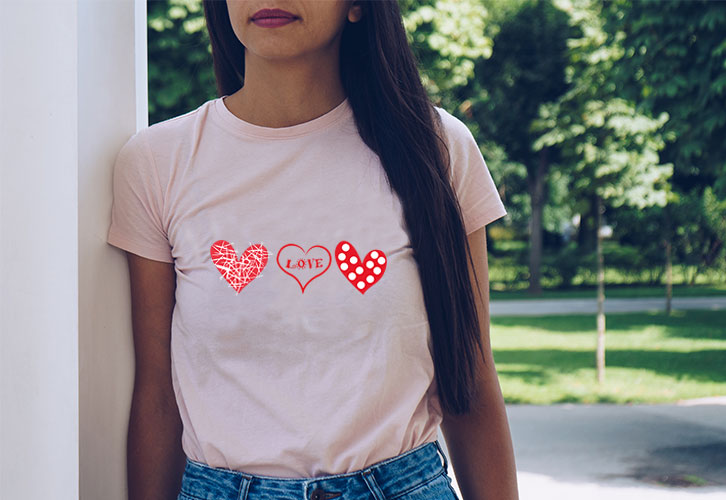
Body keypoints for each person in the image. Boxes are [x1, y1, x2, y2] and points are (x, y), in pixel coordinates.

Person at [107, 1, 518, 499]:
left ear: (359, 7)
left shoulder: (436, 149)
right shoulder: (157, 163)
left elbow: (470, 377)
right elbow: (157, 396)